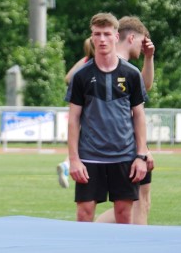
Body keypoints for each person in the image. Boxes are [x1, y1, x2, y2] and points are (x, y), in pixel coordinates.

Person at [66, 12, 149, 224]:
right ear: (92, 38)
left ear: (115, 36)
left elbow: (139, 115)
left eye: (106, 34)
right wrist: (74, 159)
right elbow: (73, 119)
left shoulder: (131, 74)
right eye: (97, 34)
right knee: (84, 215)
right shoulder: (81, 76)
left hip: (124, 156)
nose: (102, 39)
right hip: (90, 157)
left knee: (123, 216)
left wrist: (141, 156)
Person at [96, 15, 156, 224]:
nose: (142, 48)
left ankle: (89, 231)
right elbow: (120, 114)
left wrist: (149, 58)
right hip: (127, 148)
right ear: (131, 38)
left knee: (141, 202)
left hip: (129, 146)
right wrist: (141, 151)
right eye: (141, 42)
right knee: (136, 204)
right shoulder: (115, 68)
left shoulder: (124, 69)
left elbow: (144, 87)